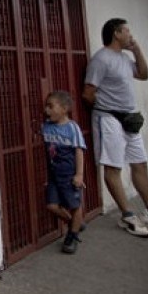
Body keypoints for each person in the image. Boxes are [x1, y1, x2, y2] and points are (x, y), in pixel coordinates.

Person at [82, 18, 148, 237]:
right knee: (113, 167)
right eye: (127, 31)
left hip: (129, 119)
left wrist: (136, 50)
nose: (130, 34)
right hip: (109, 119)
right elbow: (88, 93)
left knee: (140, 164)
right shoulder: (101, 59)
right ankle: (127, 216)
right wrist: (108, 110)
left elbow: (144, 75)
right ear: (116, 33)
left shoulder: (124, 58)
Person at [42, 91, 86, 254]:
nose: (47, 110)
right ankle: (75, 223)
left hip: (69, 175)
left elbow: (79, 151)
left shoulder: (72, 128)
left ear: (65, 108)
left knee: (74, 206)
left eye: (51, 106)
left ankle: (72, 236)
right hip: (54, 175)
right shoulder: (46, 126)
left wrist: (79, 175)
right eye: (46, 106)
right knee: (52, 205)